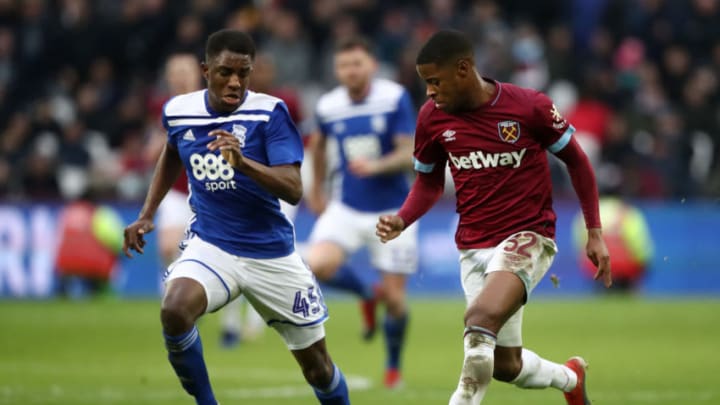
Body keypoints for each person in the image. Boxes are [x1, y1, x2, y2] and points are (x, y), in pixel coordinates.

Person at [375, 30, 612, 405]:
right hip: (473, 244)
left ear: (464, 69)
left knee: (480, 320)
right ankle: (570, 379)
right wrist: (403, 219)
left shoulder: (527, 106)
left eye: (435, 81)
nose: (429, 92)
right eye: (425, 84)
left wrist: (595, 232)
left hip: (528, 236)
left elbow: (577, 161)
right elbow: (428, 184)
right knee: (505, 365)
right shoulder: (432, 119)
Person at [123, 29, 350, 405]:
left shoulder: (270, 112)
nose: (235, 82)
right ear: (205, 70)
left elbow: (293, 187)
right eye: (226, 72)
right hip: (213, 244)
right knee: (175, 310)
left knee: (318, 368)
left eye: (243, 73)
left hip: (271, 254)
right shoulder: (180, 110)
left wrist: (243, 163)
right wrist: (147, 214)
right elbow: (172, 152)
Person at [306, 36, 418, 389]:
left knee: (397, 301)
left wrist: (376, 166)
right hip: (347, 205)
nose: (350, 71)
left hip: (393, 212)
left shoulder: (393, 97)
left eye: (356, 63)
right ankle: (368, 295)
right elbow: (319, 147)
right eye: (343, 65)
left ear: (371, 64)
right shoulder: (328, 105)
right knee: (316, 264)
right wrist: (316, 187)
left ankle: (393, 367)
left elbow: (408, 152)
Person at [218, 52, 307, 348]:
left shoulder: (285, 104)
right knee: (234, 252)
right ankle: (230, 324)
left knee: (275, 250)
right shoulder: (236, 105)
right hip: (245, 189)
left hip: (279, 185)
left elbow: (303, 141)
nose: (264, 74)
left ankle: (257, 321)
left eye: (269, 69)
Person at [573, 196, 653, 292]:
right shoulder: (629, 212)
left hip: (597, 267)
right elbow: (640, 248)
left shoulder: (585, 213)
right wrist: (644, 265)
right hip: (626, 268)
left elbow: (581, 246)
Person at [56, 193, 125, 298]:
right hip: (93, 263)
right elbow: (115, 239)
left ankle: (64, 297)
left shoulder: (67, 212)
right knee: (101, 288)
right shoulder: (100, 213)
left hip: (65, 263)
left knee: (67, 287)